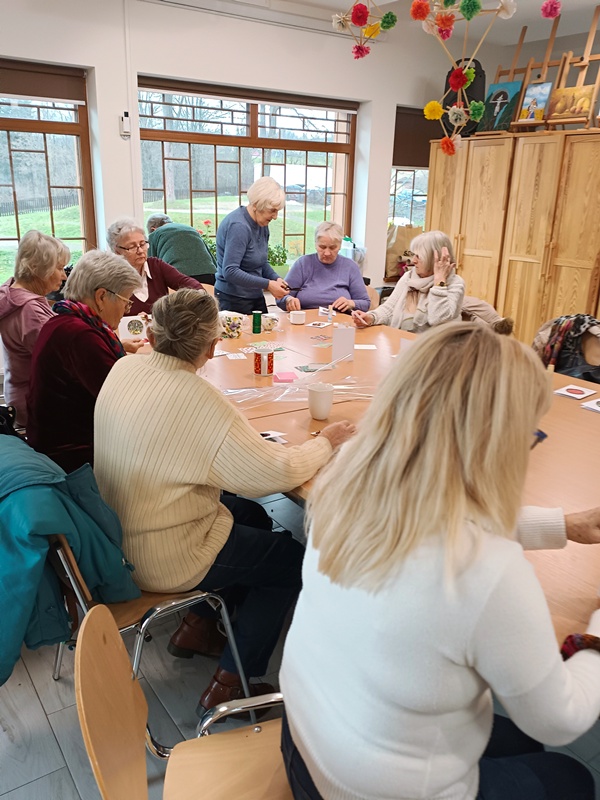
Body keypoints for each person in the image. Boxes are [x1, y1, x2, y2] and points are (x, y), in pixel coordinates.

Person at [280, 322, 600, 800]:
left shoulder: (346, 481)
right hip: (370, 791)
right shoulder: (489, 572)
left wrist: (564, 526)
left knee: (516, 737)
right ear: (496, 440)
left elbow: (437, 520)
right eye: (530, 435)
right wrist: (594, 637)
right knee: (571, 777)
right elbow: (562, 721)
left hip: (304, 745)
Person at [93, 288, 355, 713]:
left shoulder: (124, 367)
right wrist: (325, 442)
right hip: (164, 554)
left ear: (153, 335)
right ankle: (232, 683)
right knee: (291, 564)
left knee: (250, 515)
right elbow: (273, 474)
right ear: (212, 346)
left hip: (117, 532)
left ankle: (197, 626)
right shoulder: (199, 398)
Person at [27, 251, 142, 473]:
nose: (125, 310)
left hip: (60, 447)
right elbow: (124, 401)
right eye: (126, 302)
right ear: (101, 297)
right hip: (74, 460)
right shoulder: (80, 335)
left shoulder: (64, 321)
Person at [0, 231, 70, 426]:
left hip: (19, 395)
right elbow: (60, 362)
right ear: (37, 268)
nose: (64, 276)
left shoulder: (10, 293)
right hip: (35, 403)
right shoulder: (30, 310)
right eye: (59, 268)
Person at [353, 229, 465, 332]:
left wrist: (439, 281)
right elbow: (389, 308)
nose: (413, 261)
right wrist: (371, 317)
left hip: (434, 345)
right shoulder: (409, 276)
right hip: (403, 339)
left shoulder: (455, 283)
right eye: (414, 255)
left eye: (419, 256)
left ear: (434, 259)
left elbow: (437, 320)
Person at [214, 176, 289, 314]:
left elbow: (261, 263)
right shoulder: (239, 226)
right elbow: (230, 271)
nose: (275, 216)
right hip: (233, 299)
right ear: (256, 205)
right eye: (272, 210)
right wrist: (268, 284)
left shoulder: (262, 224)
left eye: (277, 211)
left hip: (254, 296)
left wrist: (276, 278)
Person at [107, 218, 203, 316]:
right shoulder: (111, 278)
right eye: (132, 247)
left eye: (142, 244)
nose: (140, 251)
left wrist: (199, 294)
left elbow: (186, 282)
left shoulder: (156, 266)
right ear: (117, 251)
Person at [276, 221, 370, 313]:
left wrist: (351, 303)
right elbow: (280, 297)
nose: (327, 253)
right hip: (306, 319)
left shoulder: (350, 267)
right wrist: (288, 300)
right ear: (315, 244)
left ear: (340, 245)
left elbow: (365, 303)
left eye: (333, 248)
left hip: (339, 320)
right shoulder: (303, 264)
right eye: (322, 247)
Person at [147, 214, 217, 285]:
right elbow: (211, 257)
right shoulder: (190, 229)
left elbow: (151, 266)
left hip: (178, 277)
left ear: (153, 229)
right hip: (209, 274)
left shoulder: (155, 234)